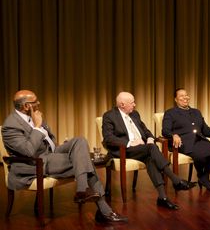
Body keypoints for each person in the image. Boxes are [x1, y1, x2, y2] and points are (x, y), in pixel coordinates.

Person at [1, 90, 128, 223]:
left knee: (80, 140)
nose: (38, 103)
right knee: (84, 161)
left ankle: (82, 191)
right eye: (35, 102)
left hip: (52, 152)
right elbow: (28, 151)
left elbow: (50, 139)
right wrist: (37, 127)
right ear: (27, 106)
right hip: (35, 161)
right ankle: (101, 208)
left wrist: (54, 142)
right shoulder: (11, 125)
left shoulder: (33, 116)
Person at [102, 92, 195, 210]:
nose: (135, 105)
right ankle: (176, 180)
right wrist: (129, 143)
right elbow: (108, 138)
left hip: (142, 149)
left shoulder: (135, 114)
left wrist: (150, 138)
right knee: (151, 149)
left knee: (150, 157)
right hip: (124, 150)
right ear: (122, 104)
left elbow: (145, 130)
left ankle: (163, 197)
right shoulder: (109, 116)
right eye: (132, 103)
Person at [162, 88, 210, 192]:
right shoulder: (170, 113)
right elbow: (165, 130)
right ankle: (204, 178)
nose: (185, 97)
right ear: (176, 99)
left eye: (186, 95)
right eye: (181, 96)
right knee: (200, 155)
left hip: (199, 140)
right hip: (183, 142)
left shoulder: (196, 112)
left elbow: (204, 129)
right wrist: (173, 135)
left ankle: (203, 177)